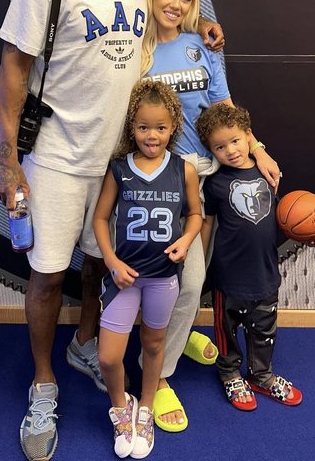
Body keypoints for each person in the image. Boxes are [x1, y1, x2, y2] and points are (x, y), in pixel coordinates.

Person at [0, 0, 223, 461]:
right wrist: (8, 158)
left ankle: (85, 346)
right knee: (48, 273)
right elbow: (13, 67)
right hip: (57, 157)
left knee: (101, 264)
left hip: (120, 161)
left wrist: (204, 28)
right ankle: (44, 385)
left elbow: (169, 18)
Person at [140, 0, 281, 430]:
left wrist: (257, 147)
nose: (176, 4)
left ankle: (177, 341)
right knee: (178, 278)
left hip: (213, 173)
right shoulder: (136, 51)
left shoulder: (203, 45)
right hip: (167, 180)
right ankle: (157, 376)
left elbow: (224, 106)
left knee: (196, 278)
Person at [93, 80, 202, 458]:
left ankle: (147, 408)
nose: (151, 135)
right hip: (125, 278)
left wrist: (186, 240)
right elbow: (100, 218)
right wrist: (111, 261)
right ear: (132, 128)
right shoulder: (120, 168)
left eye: (160, 127)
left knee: (154, 344)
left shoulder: (184, 169)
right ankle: (121, 407)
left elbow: (195, 214)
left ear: (173, 127)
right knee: (109, 357)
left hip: (163, 278)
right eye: (143, 127)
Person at [196, 103, 302, 410]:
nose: (230, 150)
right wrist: (200, 264)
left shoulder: (268, 172)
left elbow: (287, 217)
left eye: (235, 141)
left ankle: (261, 375)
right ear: (211, 150)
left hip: (264, 271)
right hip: (228, 275)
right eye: (219, 147)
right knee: (226, 329)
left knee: (264, 329)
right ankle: (229, 373)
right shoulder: (215, 183)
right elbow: (207, 224)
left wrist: (312, 233)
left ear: (248, 136)